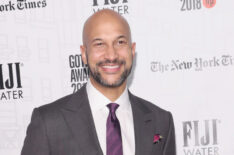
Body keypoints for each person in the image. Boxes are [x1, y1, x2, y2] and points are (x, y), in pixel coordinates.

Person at [21, 9, 176, 155]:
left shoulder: (161, 121)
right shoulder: (49, 122)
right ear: (84, 53)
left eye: (120, 42)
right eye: (99, 44)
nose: (111, 55)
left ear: (132, 50)